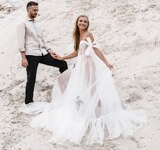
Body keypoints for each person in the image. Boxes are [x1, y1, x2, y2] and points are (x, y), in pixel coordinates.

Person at [28, 15, 147, 145]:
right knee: (62, 79)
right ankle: (72, 103)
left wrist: (106, 62)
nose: (82, 23)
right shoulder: (78, 36)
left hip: (88, 65)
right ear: (77, 23)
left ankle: (98, 110)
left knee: (92, 87)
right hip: (79, 65)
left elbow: (95, 49)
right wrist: (62, 58)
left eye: (85, 21)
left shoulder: (88, 34)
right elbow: (76, 53)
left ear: (87, 23)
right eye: (80, 21)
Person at [17, 1, 68, 105]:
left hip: (42, 53)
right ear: (28, 9)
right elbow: (20, 42)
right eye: (34, 10)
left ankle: (67, 90)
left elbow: (42, 40)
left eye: (37, 10)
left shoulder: (37, 24)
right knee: (31, 78)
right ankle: (28, 102)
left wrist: (50, 51)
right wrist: (23, 58)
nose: (36, 12)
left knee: (62, 63)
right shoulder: (22, 23)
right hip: (31, 54)